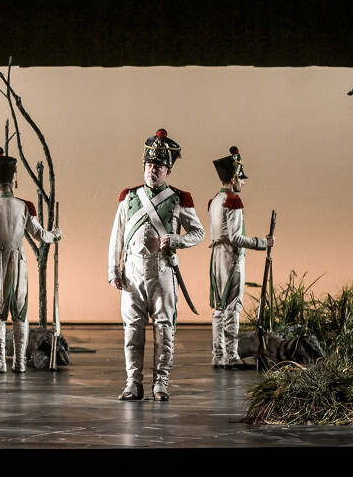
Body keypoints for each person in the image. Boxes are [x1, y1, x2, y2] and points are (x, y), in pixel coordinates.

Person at [108, 129, 204, 401]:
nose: (153, 170)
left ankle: (160, 383)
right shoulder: (129, 197)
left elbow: (199, 233)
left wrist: (176, 239)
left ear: (168, 171)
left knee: (164, 329)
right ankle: (133, 383)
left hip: (162, 270)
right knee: (132, 330)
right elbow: (117, 236)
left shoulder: (178, 198)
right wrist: (113, 270)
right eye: (149, 164)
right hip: (132, 272)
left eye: (159, 166)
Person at [0, 148, 61, 373]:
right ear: (12, 182)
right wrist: (55, 235)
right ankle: (20, 362)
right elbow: (40, 234)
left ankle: (0, 362)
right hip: (20, 265)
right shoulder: (24, 206)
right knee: (20, 313)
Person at [206, 146, 271, 369]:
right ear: (233, 178)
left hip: (217, 257)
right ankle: (231, 356)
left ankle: (218, 355)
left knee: (220, 308)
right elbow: (235, 237)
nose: (243, 182)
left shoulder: (216, 200)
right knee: (232, 307)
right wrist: (262, 242)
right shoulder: (232, 201)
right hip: (231, 258)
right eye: (241, 178)